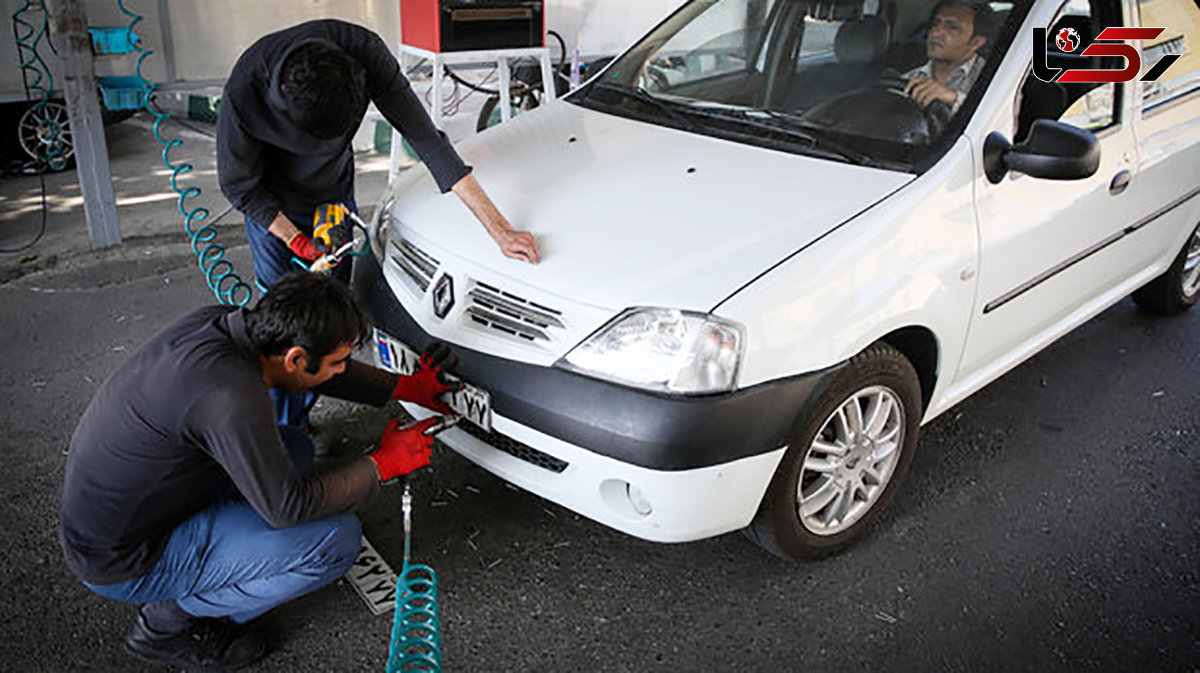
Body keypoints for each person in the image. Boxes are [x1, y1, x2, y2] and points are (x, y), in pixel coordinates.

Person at [60, 272, 455, 671]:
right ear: (295, 358)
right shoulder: (229, 395)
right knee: (336, 540)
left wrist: (407, 388)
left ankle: (223, 547)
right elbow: (288, 508)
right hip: (126, 559)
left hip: (131, 509)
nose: (341, 369)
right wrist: (384, 464)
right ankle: (170, 623)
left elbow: (320, 365)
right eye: (338, 362)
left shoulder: (229, 327)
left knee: (295, 448)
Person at [903, 1, 994, 115]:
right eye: (935, 24)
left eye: (952, 27)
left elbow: (994, 118)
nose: (936, 33)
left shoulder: (992, 80)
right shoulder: (910, 78)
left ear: (975, 42)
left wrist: (954, 99)